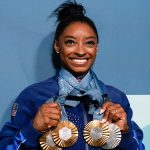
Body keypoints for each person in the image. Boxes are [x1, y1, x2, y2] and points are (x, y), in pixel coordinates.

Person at [0, 1, 145, 150]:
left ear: (97, 48)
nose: (81, 51)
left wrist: (126, 133)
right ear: (57, 46)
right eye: (70, 42)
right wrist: (33, 128)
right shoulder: (33, 96)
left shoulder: (115, 98)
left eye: (89, 43)